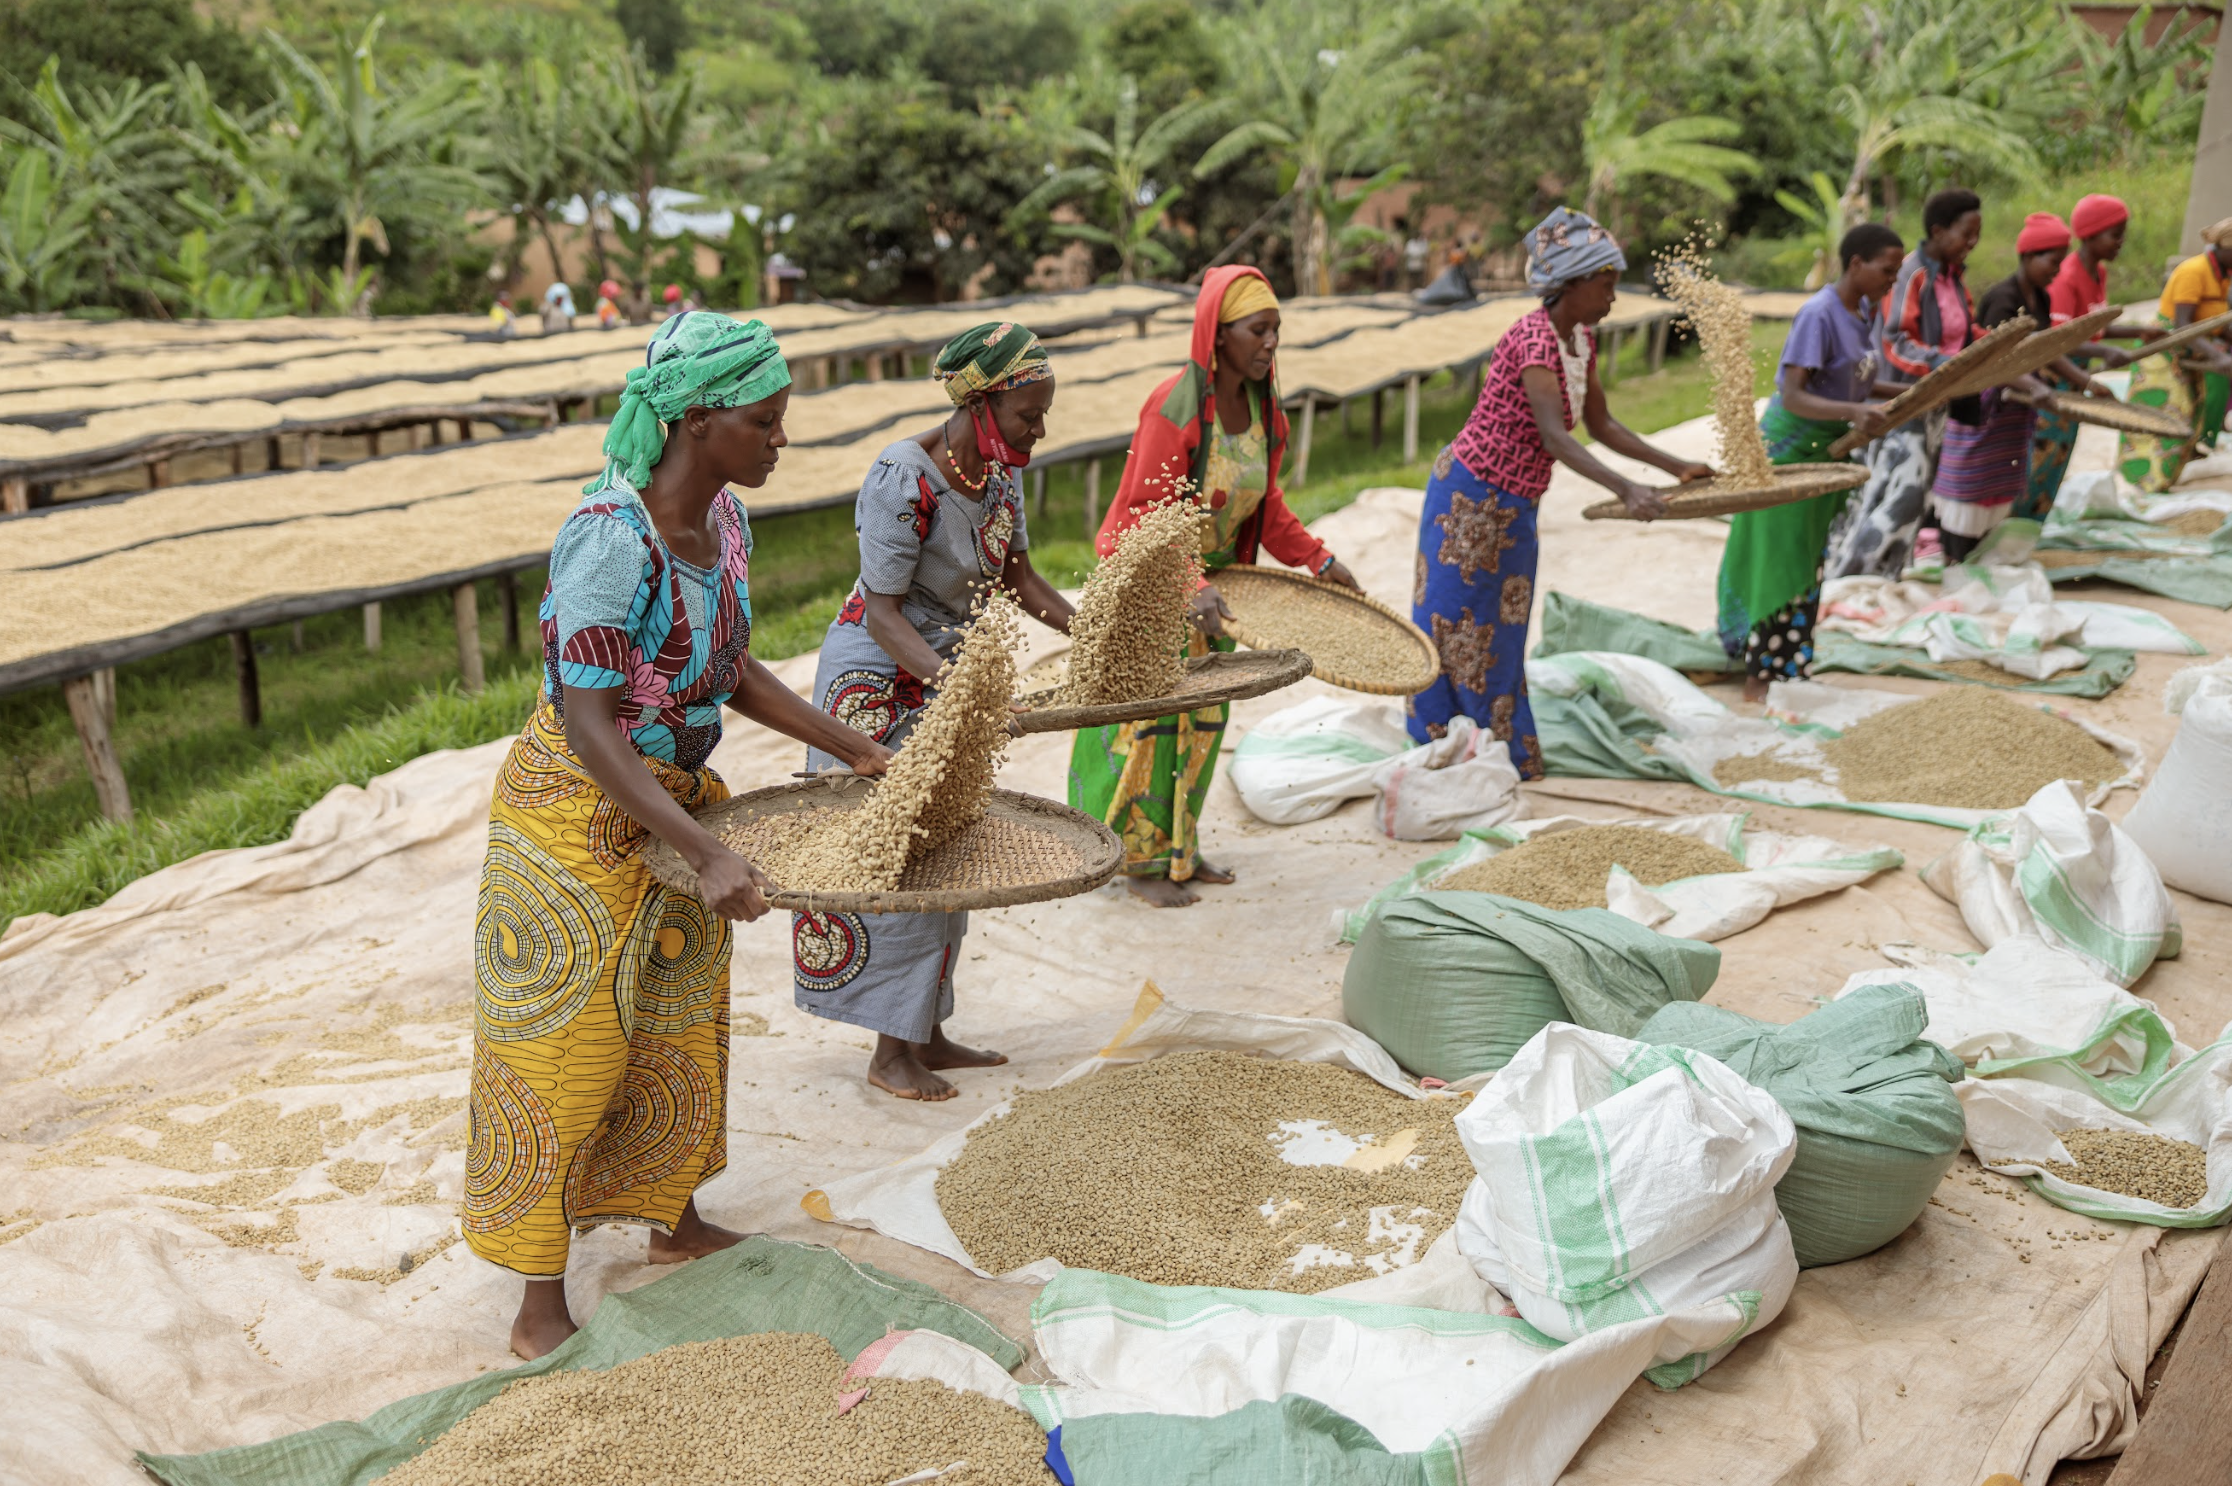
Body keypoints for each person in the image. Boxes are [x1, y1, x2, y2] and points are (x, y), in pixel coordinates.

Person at [465, 312, 894, 1360]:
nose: (781, 439)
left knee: (676, 1023)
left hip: (680, 802)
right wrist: (707, 853)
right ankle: (536, 1298)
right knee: (569, 1046)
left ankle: (674, 1221)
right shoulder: (610, 539)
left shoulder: (726, 522)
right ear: (698, 420)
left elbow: (727, 667)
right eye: (764, 420)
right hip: (575, 817)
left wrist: (851, 745)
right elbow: (589, 723)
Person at [800, 322, 1075, 1098]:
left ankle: (927, 1031)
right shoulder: (903, 477)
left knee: (950, 844)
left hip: (948, 673)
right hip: (879, 685)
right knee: (901, 857)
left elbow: (1022, 579)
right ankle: (889, 1054)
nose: (1038, 430)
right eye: (1028, 415)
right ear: (980, 405)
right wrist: (965, 689)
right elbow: (884, 614)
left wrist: (1092, 630)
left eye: (1042, 415)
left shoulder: (1001, 474)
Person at [1071, 267, 1356, 909]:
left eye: (1276, 329)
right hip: (1153, 585)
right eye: (1258, 329)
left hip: (1213, 595)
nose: (1271, 342)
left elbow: (1264, 504)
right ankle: (1137, 863)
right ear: (1219, 334)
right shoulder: (1172, 411)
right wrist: (1188, 582)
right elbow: (1145, 514)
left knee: (1202, 718)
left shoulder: (1262, 411)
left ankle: (1181, 849)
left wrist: (1319, 558)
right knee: (1150, 723)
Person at [1412, 206, 1710, 764]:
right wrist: (1627, 489)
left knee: (1503, 627)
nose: (1613, 298)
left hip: (1516, 503)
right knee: (1454, 624)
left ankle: (1500, 746)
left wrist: (1676, 467)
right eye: (1606, 284)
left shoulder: (1580, 339)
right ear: (1572, 283)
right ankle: (1441, 743)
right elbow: (1555, 436)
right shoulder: (1534, 341)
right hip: (1469, 497)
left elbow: (1602, 424)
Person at [1718, 224, 1903, 702]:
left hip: (1827, 450)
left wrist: (1916, 393)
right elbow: (1795, 394)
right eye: (1887, 270)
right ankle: (1759, 676)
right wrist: (1854, 413)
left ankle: (1790, 667)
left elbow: (1857, 382)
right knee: (1777, 559)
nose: (1893, 280)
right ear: (1856, 264)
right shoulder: (1819, 314)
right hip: (1790, 452)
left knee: (1807, 559)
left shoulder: (1862, 311)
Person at [1825, 188, 1982, 579]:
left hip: (1935, 405)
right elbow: (1894, 340)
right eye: (1966, 234)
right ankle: (1852, 576)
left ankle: (1886, 578)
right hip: (1900, 405)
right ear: (1939, 231)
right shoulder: (1909, 274)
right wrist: (1945, 365)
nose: (1973, 243)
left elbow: (1967, 332)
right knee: (1899, 496)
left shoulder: (1954, 279)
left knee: (1918, 494)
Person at [2121, 217, 2232, 492]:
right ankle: (2145, 482)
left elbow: (2215, 322)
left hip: (2193, 347)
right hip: (2164, 349)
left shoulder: (2224, 275)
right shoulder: (2194, 271)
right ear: (2226, 248)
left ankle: (2168, 477)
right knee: (2166, 414)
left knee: (2192, 410)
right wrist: (2218, 356)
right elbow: (2182, 326)